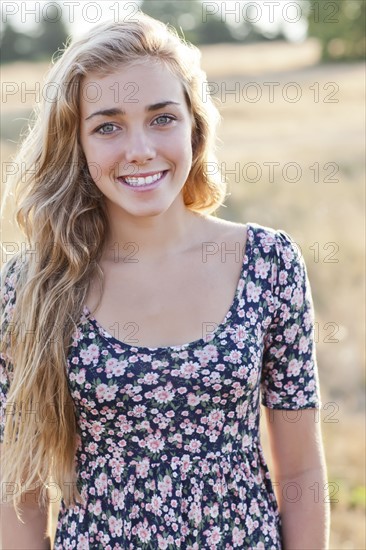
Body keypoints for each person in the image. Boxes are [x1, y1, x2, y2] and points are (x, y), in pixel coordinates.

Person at [0, 11, 330, 550]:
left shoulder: (268, 264)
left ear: (195, 126)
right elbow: (22, 491)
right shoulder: (32, 285)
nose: (140, 150)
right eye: (107, 125)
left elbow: (299, 475)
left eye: (162, 118)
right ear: (76, 144)